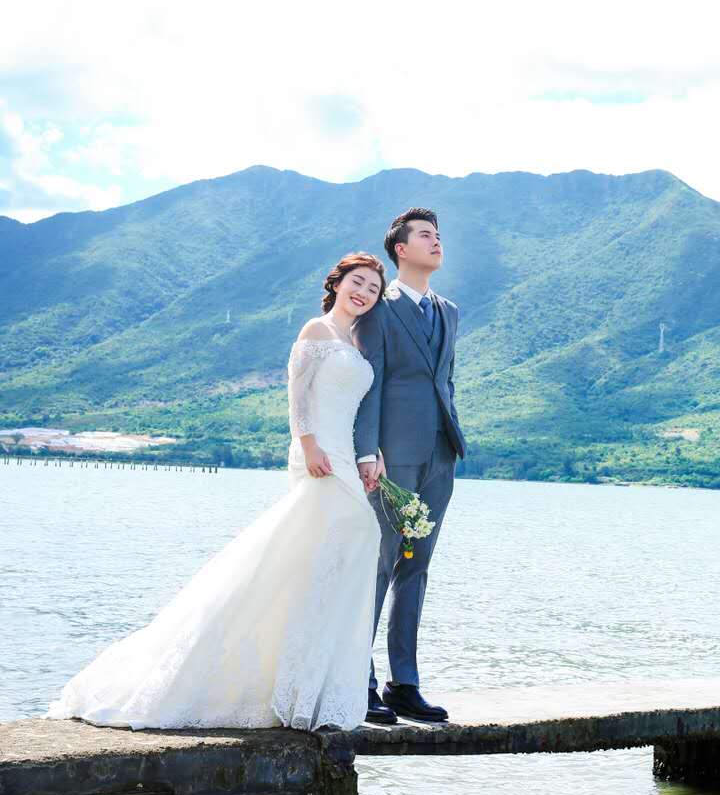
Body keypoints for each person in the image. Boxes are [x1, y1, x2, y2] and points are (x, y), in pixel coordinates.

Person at [45, 253, 386, 731]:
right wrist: (308, 444)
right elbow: (298, 394)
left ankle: (306, 686)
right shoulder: (317, 330)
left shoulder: (357, 342)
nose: (364, 292)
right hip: (319, 454)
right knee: (312, 551)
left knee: (334, 555)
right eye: (358, 281)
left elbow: (355, 408)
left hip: (347, 456)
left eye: (373, 288)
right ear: (338, 282)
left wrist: (372, 453)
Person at [353, 208, 466, 723]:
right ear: (400, 249)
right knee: (378, 566)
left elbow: (446, 380)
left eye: (438, 235)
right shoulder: (380, 308)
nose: (436, 241)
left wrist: (452, 435)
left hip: (441, 455)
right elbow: (370, 382)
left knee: (416, 568)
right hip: (391, 456)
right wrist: (367, 449)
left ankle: (405, 683)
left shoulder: (449, 311)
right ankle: (358, 678)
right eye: (425, 235)